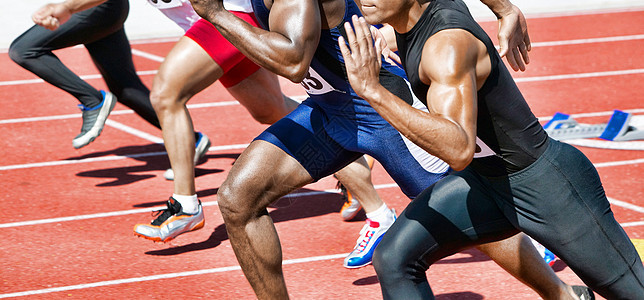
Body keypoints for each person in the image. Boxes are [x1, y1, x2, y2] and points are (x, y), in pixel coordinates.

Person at [189, 0, 592, 298]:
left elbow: (293, 61)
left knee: (471, 210)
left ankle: (560, 293)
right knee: (238, 200)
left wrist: (215, 13)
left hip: (380, 109)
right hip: (329, 112)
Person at [338, 0, 644, 298]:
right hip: (485, 183)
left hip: (546, 185)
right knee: (393, 258)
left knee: (632, 291)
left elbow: (458, 149)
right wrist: (504, 8)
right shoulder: (411, 23)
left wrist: (372, 91)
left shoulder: (446, 46)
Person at [8, 0, 210, 156]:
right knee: (126, 89)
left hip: (97, 9)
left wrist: (67, 7)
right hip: (104, 10)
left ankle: (92, 100)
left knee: (24, 50)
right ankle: (192, 140)